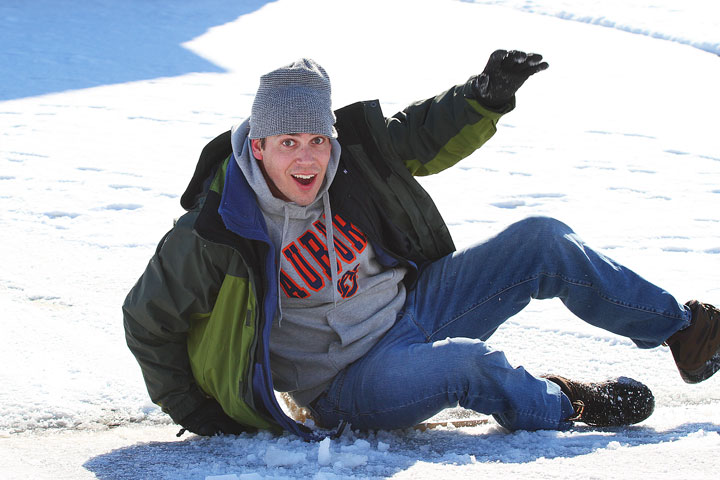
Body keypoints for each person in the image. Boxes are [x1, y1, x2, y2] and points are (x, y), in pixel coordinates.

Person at [123, 52, 720, 438]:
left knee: (540, 239)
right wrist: (199, 412)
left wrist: (483, 95)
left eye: (316, 139)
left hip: (417, 309)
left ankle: (681, 332)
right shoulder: (217, 230)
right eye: (287, 143)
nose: (306, 158)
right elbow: (146, 318)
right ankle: (568, 406)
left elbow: (416, 134)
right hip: (349, 384)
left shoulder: (345, 165)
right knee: (468, 365)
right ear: (258, 146)